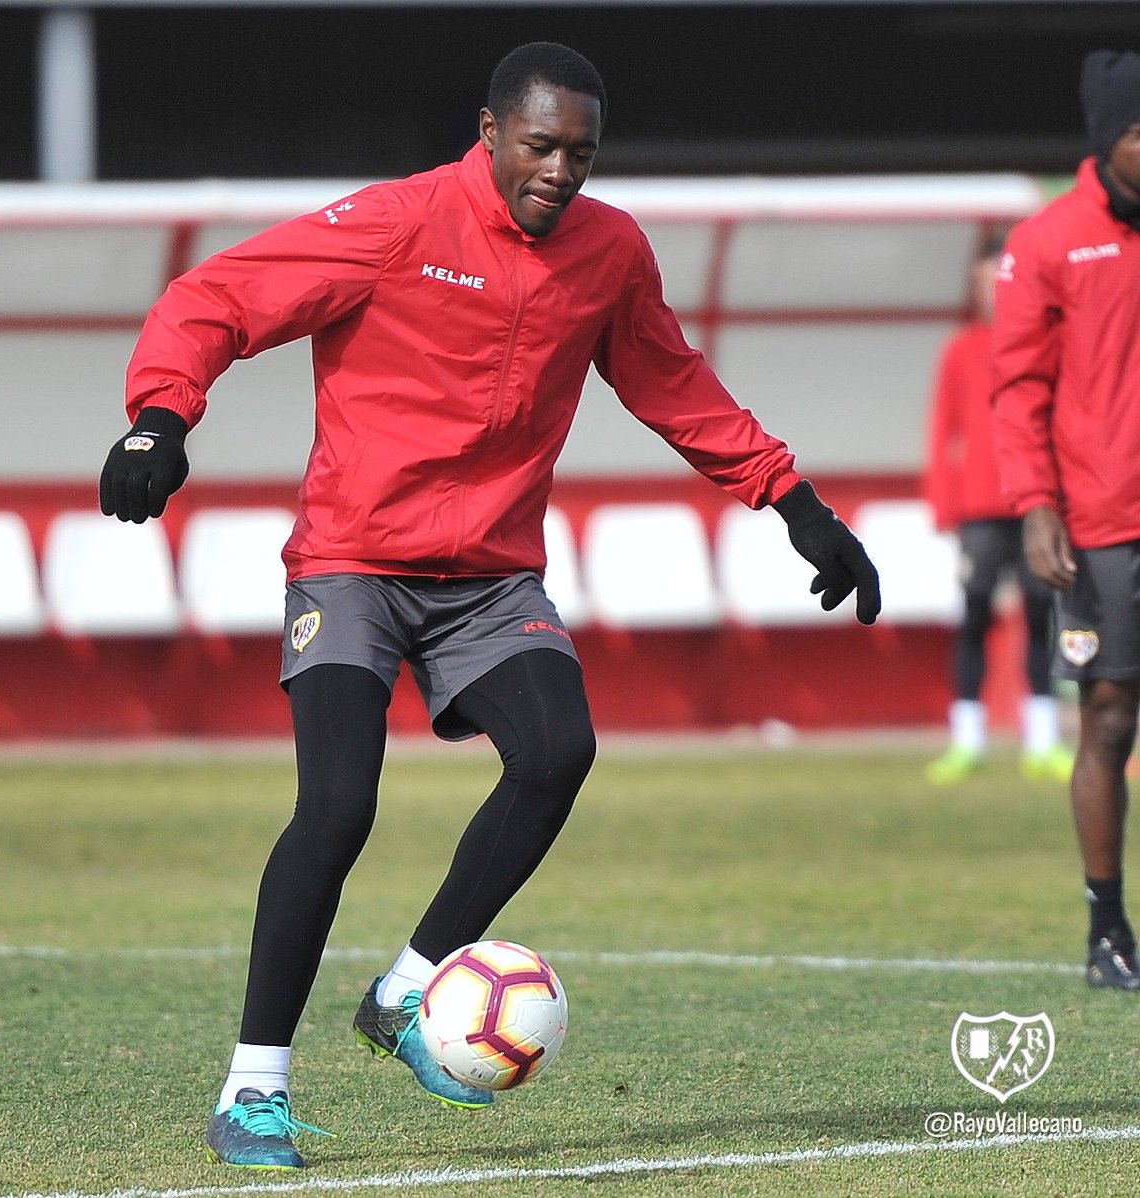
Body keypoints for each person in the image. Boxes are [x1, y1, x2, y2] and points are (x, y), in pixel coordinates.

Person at [99, 42, 881, 1169]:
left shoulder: (610, 253)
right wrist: (159, 420)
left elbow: (672, 381)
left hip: (492, 578)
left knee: (561, 747)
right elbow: (213, 298)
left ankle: (408, 992)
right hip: (354, 562)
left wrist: (794, 501)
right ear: (489, 132)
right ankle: (253, 1087)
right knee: (336, 807)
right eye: (542, 145)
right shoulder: (399, 222)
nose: (561, 170)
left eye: (582, 152)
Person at [993, 49, 1140, 991]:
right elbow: (1019, 388)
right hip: (1102, 519)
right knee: (1110, 718)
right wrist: (1036, 504)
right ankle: (1107, 928)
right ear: (1108, 138)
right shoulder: (1050, 241)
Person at [923, 231, 1073, 785]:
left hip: (1036, 505)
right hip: (980, 509)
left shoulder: (1047, 341)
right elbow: (944, 429)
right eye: (984, 282)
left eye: (1000, 280)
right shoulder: (961, 348)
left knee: (1043, 617)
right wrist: (944, 505)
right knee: (975, 614)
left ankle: (1042, 740)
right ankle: (968, 739)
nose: (993, 292)